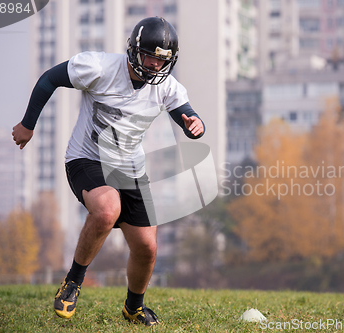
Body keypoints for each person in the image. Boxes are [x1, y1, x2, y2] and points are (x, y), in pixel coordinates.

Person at [12, 16, 204, 326]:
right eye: (150, 56)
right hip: (87, 159)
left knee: (147, 246)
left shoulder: (166, 86)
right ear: (133, 50)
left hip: (129, 166)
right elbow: (49, 79)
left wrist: (194, 125)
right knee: (106, 209)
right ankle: (73, 282)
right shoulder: (98, 67)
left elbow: (186, 113)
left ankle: (134, 307)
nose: (155, 65)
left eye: (162, 60)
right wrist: (27, 124)